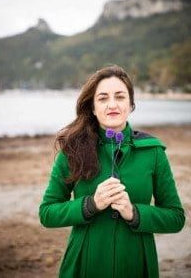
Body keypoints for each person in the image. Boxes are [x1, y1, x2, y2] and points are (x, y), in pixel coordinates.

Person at [39, 65, 185, 278]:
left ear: (131, 104)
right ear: (92, 107)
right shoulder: (72, 150)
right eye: (103, 98)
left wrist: (134, 212)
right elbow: (47, 213)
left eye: (120, 96)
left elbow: (175, 218)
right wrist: (91, 204)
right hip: (84, 263)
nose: (113, 105)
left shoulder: (154, 152)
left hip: (137, 262)